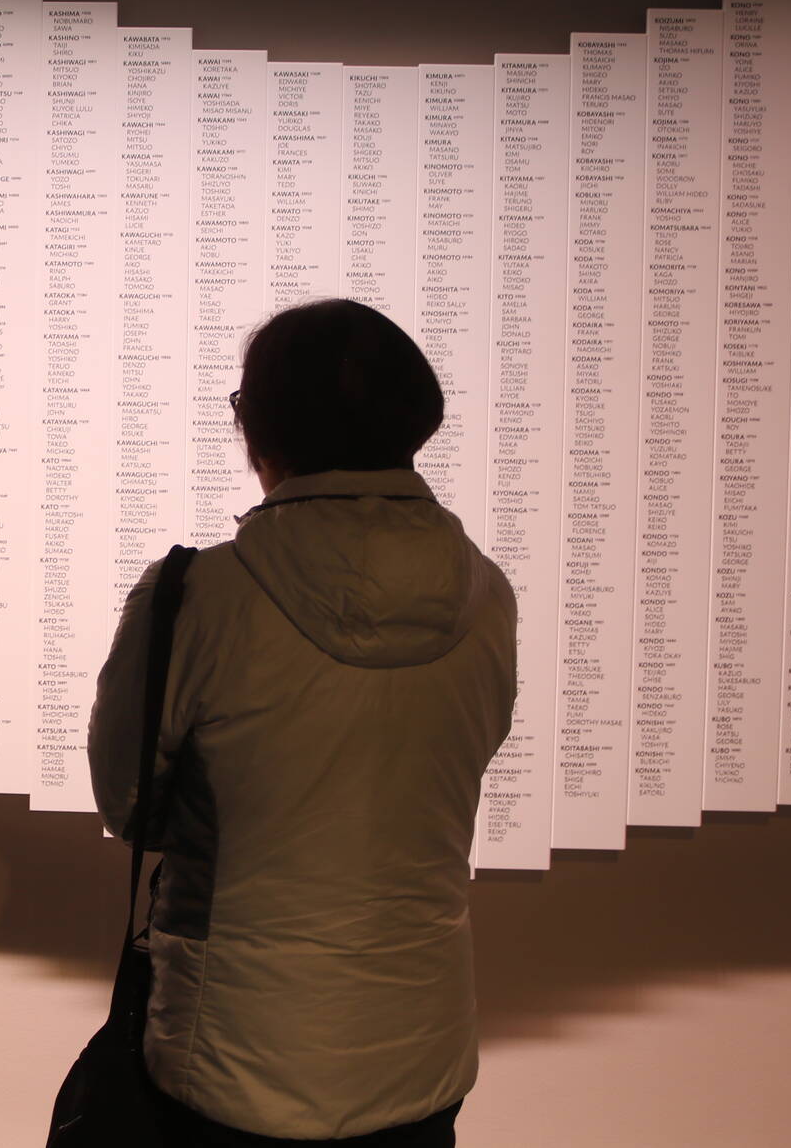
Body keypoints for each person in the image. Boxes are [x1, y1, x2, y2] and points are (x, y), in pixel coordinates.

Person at [88, 298, 518, 1146]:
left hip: (228, 1056)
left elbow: (130, 805)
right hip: (419, 1051)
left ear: (262, 430)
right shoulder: (486, 594)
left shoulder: (195, 597)